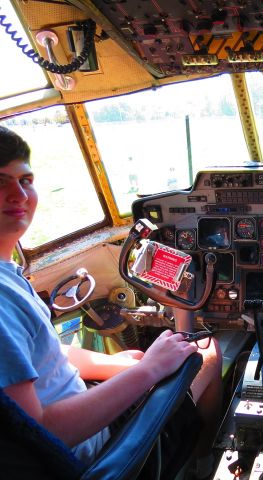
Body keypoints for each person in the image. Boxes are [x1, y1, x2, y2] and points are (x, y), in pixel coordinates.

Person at [0, 126, 221, 475]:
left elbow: (43, 355)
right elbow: (41, 434)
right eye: (1, 182)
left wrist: (125, 366)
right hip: (95, 451)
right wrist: (151, 369)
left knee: (131, 356)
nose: (19, 194)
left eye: (25, 180)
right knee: (206, 352)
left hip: (71, 408)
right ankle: (199, 463)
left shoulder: (6, 275)